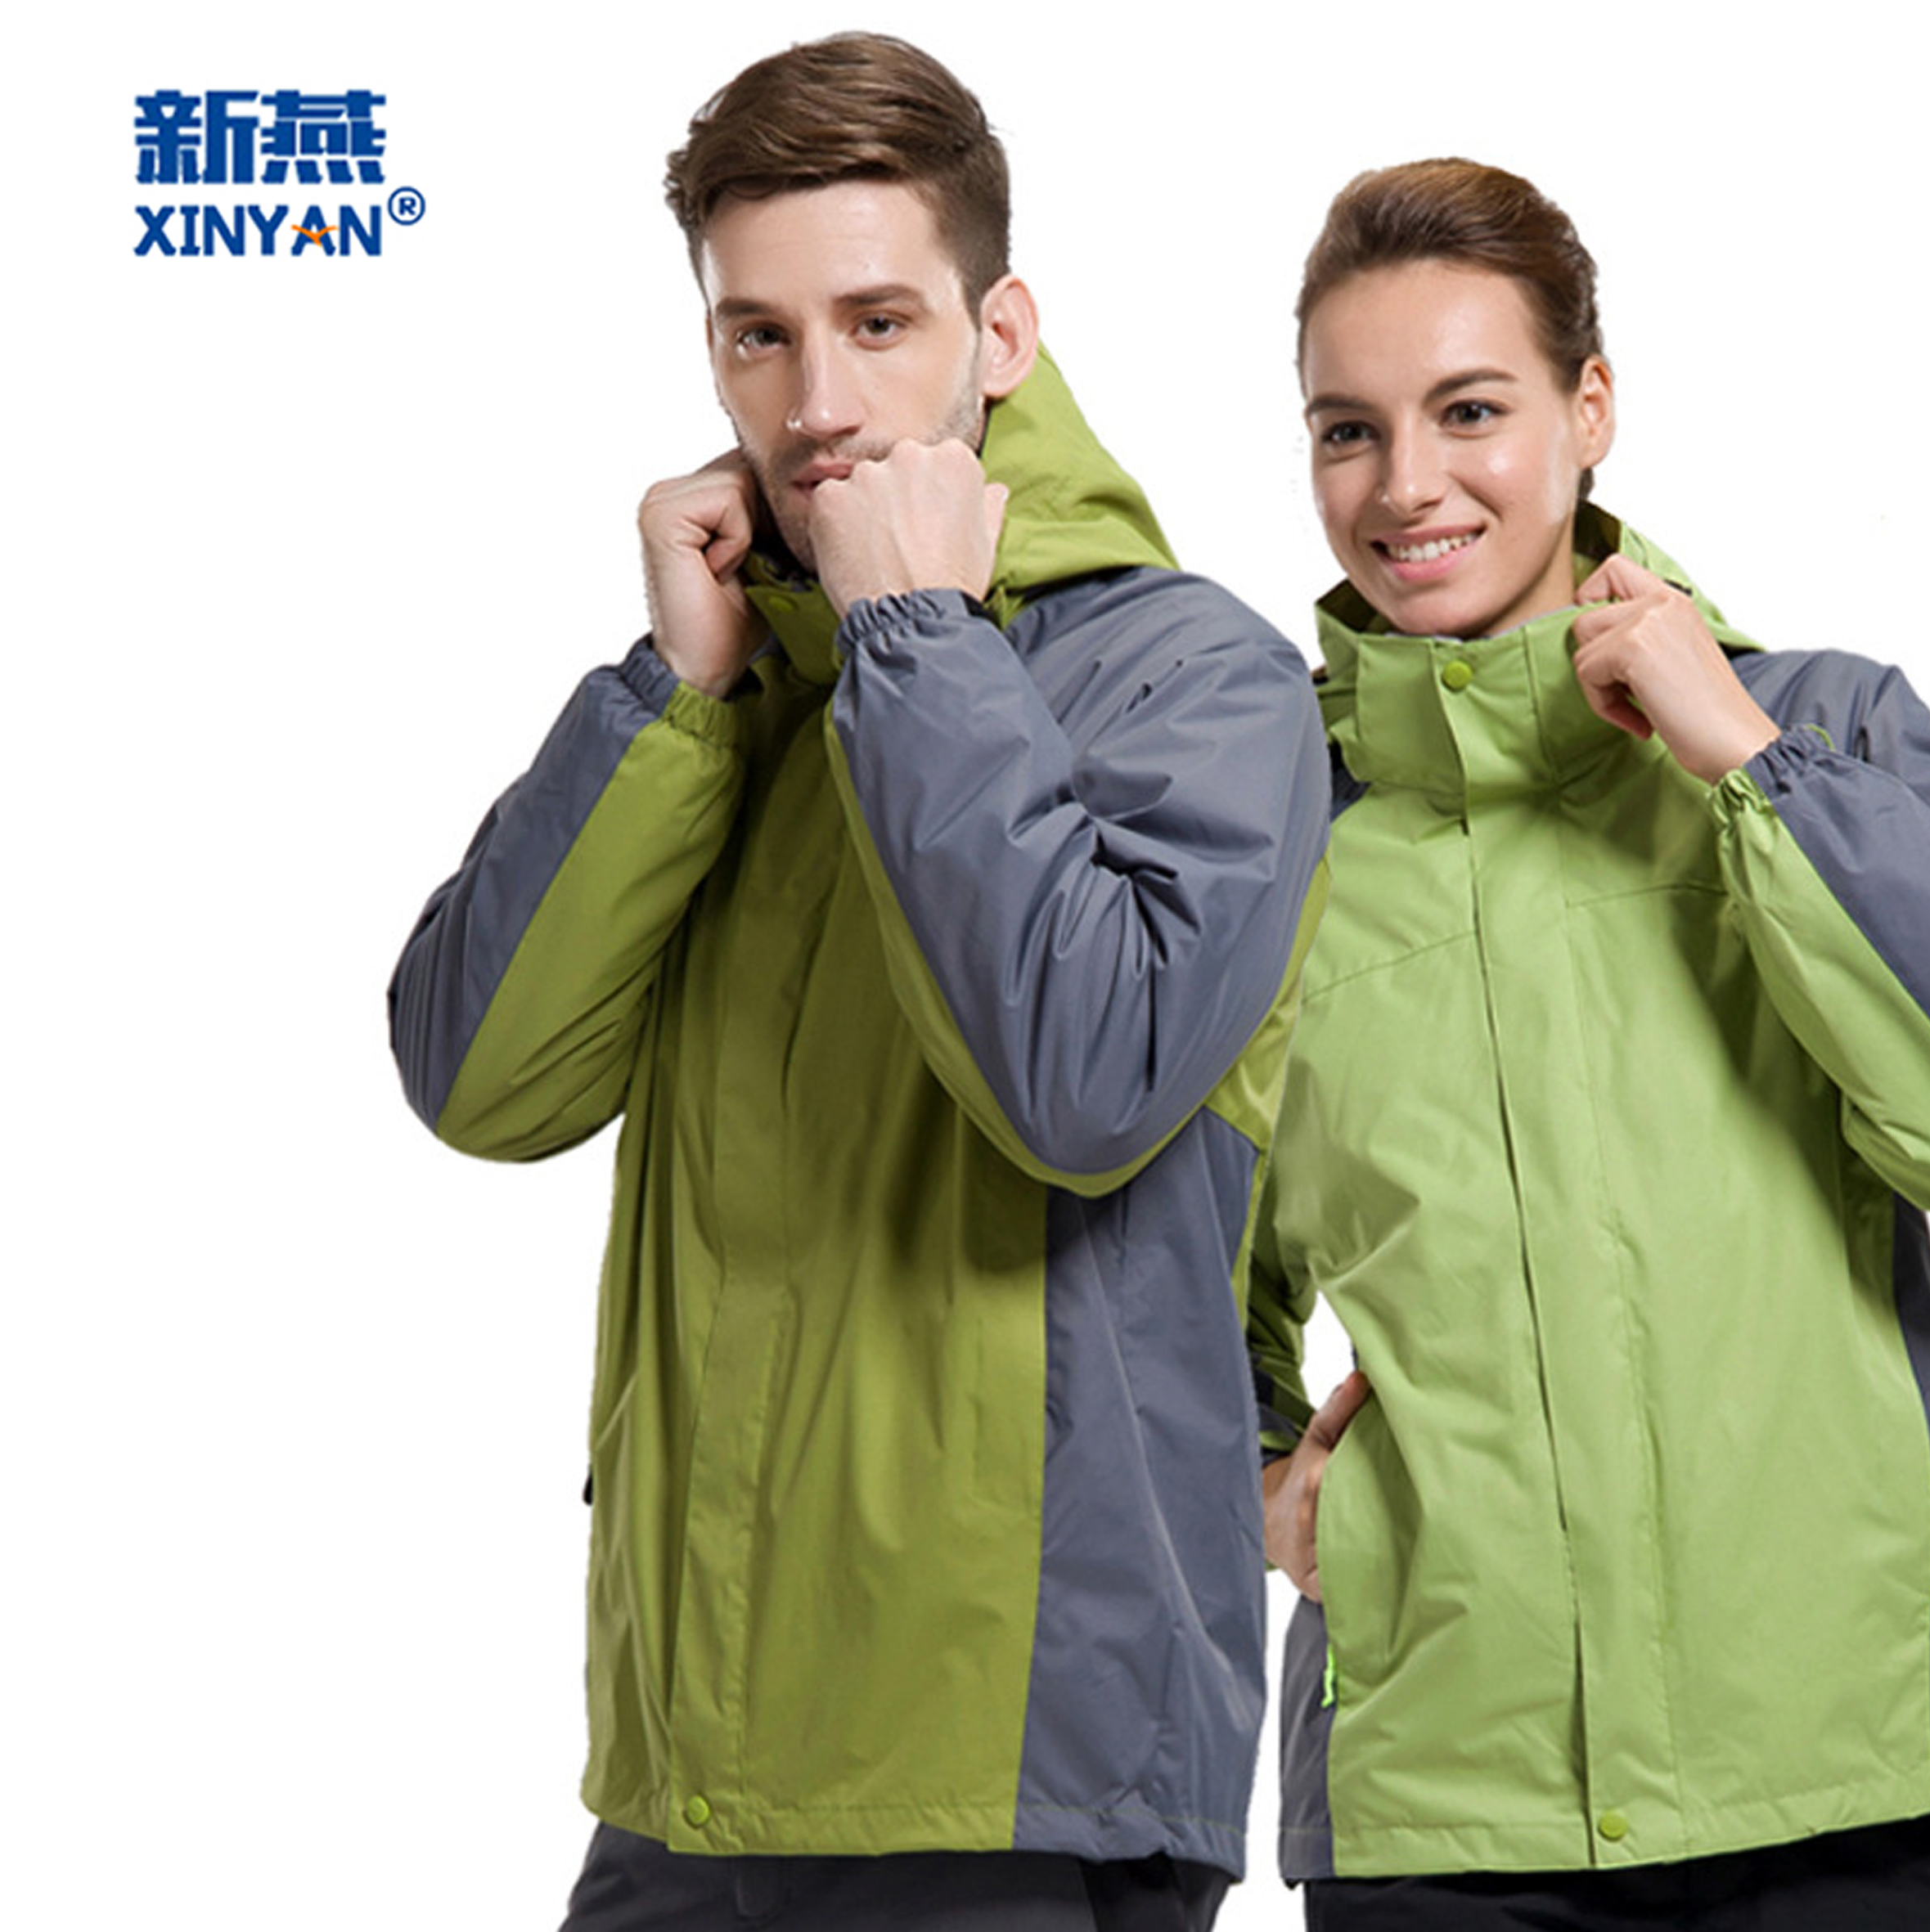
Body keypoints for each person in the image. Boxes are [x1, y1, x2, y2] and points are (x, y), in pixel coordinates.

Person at [387, 35, 1327, 1931]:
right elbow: (480, 1077)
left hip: (1013, 1783)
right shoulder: (742, 690)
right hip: (689, 1773)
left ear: (1002, 334)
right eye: (759, 336)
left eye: (879, 322)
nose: (815, 403)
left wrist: (914, 631)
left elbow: (1085, 1076)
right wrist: (674, 695)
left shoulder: (1195, 677)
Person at [1247, 160, 1930, 1931]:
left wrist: (1748, 765)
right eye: (1349, 430)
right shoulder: (1277, 834)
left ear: (1589, 409)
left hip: (1841, 1770)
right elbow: (1149, 1244)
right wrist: (1250, 1485)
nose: (1405, 484)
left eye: (1469, 410)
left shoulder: (1822, 730)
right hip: (1444, 1799)